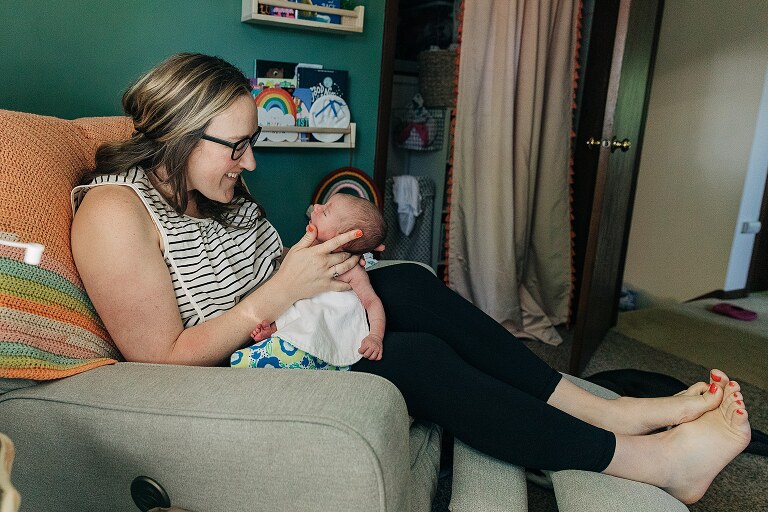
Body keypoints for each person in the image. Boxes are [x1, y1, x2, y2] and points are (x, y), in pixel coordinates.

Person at [70, 53, 751, 505]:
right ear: (183, 134)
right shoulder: (113, 212)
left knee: (411, 287)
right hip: (228, 369)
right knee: (416, 358)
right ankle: (650, 463)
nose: (249, 163)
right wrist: (283, 291)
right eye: (238, 145)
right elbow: (158, 356)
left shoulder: (212, 193)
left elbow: (264, 277)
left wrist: (324, 266)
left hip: (280, 326)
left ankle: (608, 409)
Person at [239, 193, 387, 370]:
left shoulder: (352, 269)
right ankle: (274, 331)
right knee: (295, 306)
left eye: (325, 212)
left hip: (327, 320)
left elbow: (371, 302)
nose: (316, 206)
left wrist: (375, 336)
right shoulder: (307, 249)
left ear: (344, 238)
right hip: (297, 306)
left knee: (315, 319)